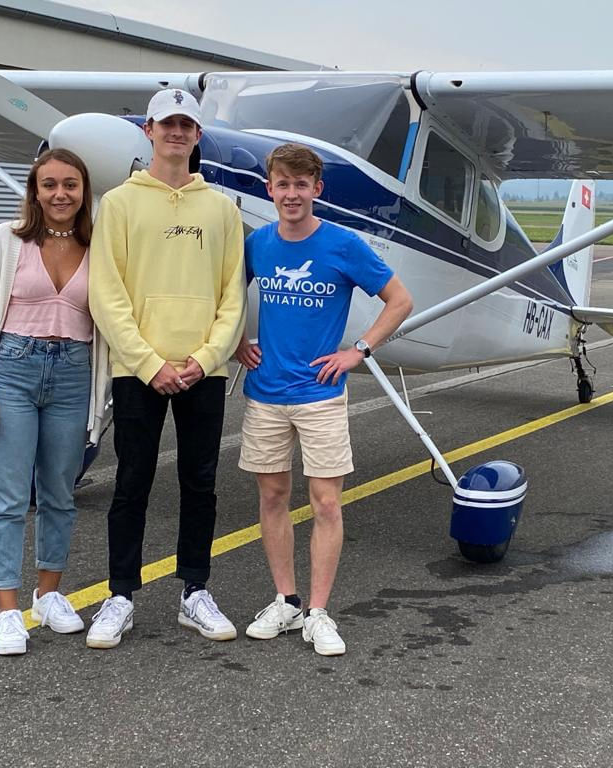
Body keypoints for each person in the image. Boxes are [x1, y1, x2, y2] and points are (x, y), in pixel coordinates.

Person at [235, 143, 413, 656]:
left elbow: (399, 300)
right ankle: (286, 600)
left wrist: (358, 350)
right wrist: (236, 340)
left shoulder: (343, 245)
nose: (291, 194)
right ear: (269, 190)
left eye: (300, 184)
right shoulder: (259, 245)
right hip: (266, 393)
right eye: (282, 184)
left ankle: (317, 612)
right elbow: (224, 296)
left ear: (317, 189)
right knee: (272, 497)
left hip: (320, 394)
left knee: (326, 502)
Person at [86, 88, 246, 649]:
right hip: (139, 370)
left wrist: (204, 360)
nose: (176, 133)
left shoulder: (222, 209)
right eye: (167, 124)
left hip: (205, 372)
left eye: (187, 125)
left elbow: (233, 295)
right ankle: (121, 594)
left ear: (197, 137)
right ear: (149, 132)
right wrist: (150, 363)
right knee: (132, 483)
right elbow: (108, 294)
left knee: (200, 484)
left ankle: (194, 591)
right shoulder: (119, 205)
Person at [0, 148, 107, 655]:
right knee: (7, 497)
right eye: (49, 185)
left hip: (73, 374)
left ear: (83, 192)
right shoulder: (9, 240)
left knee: (59, 493)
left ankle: (47, 595)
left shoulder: (100, 246)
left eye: (70, 184)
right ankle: (7, 610)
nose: (60, 194)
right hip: (12, 370)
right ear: (35, 191)